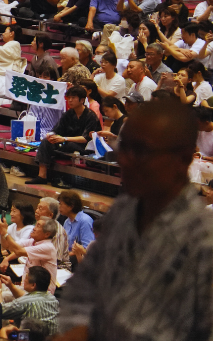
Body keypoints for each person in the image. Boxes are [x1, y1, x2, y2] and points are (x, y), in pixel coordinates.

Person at [57, 96, 213, 340]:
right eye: (124, 147)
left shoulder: (204, 240)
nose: (125, 160)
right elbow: (82, 290)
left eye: (141, 151)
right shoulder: (125, 209)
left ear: (183, 158)